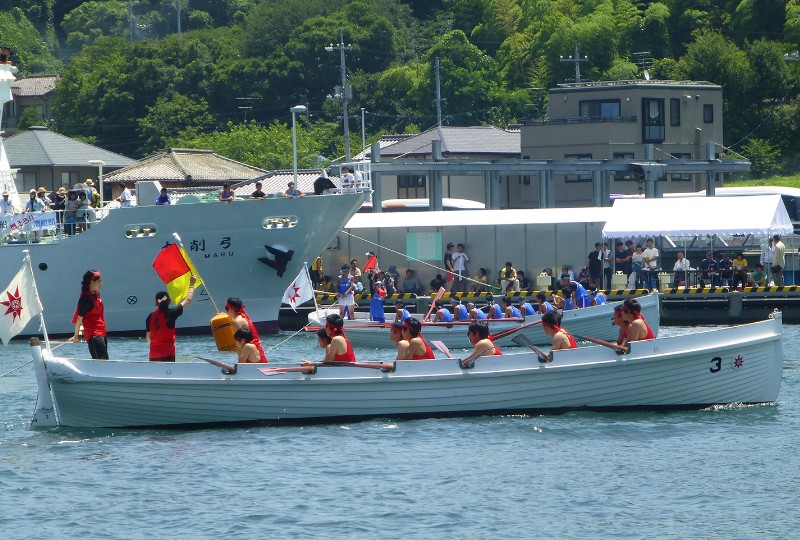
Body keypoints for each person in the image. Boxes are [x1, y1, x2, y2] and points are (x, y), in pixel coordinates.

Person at [145, 275, 196, 361]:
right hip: (167, 353)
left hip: (153, 354)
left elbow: (148, 338)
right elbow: (188, 300)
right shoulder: (171, 313)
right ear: (169, 301)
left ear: (156, 303)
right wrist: (191, 284)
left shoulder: (150, 317)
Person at [68, 269, 108, 359]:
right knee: (103, 359)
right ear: (91, 282)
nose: (101, 283)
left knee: (103, 358)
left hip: (102, 331)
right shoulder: (85, 298)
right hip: (94, 334)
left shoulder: (97, 294)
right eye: (99, 281)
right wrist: (76, 335)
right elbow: (79, 318)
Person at [224, 297, 268, 363]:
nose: (226, 312)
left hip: (251, 356)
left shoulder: (237, 321)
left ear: (230, 309)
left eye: (226, 309)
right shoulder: (244, 316)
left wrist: (239, 362)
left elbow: (240, 343)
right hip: (258, 353)